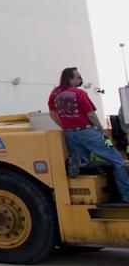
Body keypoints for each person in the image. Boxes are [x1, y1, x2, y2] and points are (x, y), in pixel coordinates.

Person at [49, 67, 129, 202]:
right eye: (78, 77)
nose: (80, 80)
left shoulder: (54, 94)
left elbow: (52, 113)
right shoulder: (79, 93)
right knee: (117, 161)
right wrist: (103, 132)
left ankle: (75, 163)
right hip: (88, 132)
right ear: (70, 79)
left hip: (70, 134)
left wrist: (65, 127)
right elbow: (91, 114)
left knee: (84, 160)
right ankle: (127, 195)